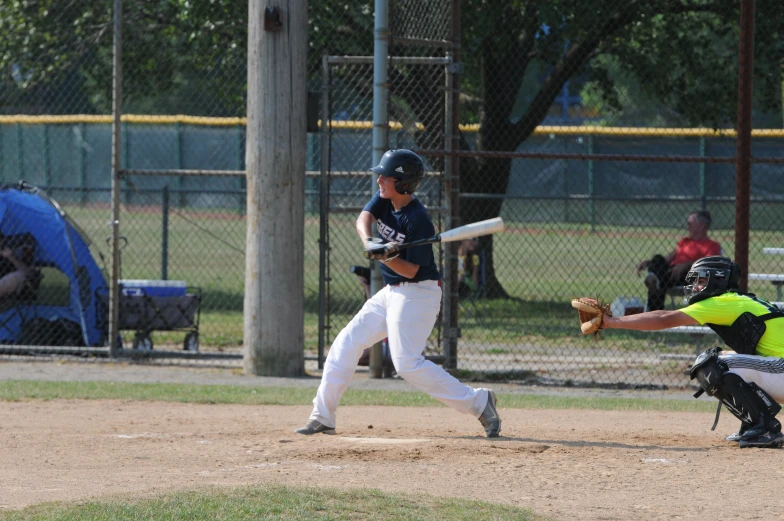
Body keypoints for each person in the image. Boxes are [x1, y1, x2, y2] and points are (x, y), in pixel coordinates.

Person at [295, 149, 501, 438]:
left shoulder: (417, 220)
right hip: (391, 293)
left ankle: (480, 403)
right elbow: (363, 217)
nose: (379, 180)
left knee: (406, 363)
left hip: (419, 294)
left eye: (386, 177)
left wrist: (386, 257)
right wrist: (371, 242)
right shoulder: (385, 200)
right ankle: (323, 416)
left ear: (403, 184)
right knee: (346, 342)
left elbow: (411, 271)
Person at [602, 255, 784, 448]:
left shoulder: (722, 301)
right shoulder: (737, 300)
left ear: (719, 280)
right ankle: (755, 423)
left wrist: (612, 322)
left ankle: (764, 427)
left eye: (701, 280)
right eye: (695, 281)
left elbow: (663, 318)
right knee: (723, 358)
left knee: (711, 364)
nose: (695, 286)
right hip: (778, 369)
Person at [636, 210, 721, 311]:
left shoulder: (712, 245)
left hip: (688, 277)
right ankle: (655, 280)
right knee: (658, 258)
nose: (687, 227)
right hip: (670, 274)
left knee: (679, 270)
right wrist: (650, 263)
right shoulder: (685, 241)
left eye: (689, 224)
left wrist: (687, 264)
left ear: (702, 225)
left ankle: (655, 311)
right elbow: (667, 259)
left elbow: (708, 265)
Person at [0, 234, 32, 299]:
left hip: (7, 282)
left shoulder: (10, 251)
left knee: (15, 276)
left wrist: (10, 256)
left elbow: (27, 272)